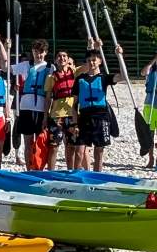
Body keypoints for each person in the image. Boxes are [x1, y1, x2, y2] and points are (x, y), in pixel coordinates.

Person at [75, 40, 121, 172]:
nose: (92, 62)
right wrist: (74, 123)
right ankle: (77, 178)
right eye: (89, 60)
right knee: (79, 151)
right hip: (84, 117)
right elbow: (75, 103)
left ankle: (97, 176)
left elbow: (122, 76)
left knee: (99, 151)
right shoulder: (80, 79)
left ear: (100, 61)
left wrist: (119, 57)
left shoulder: (104, 78)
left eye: (94, 60)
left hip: (101, 117)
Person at [12, 40, 50, 170]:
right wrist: (3, 45)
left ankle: (39, 169)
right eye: (35, 52)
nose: (38, 55)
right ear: (32, 52)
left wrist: (46, 114)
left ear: (45, 53)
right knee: (28, 142)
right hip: (26, 108)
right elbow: (7, 68)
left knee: (40, 142)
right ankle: (29, 170)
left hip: (40, 109)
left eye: (41, 52)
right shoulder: (26, 65)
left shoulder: (50, 68)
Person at [44, 49, 78, 170]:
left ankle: (71, 171)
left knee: (71, 146)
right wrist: (45, 117)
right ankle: (51, 173)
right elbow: (48, 98)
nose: (62, 58)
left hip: (72, 114)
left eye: (64, 56)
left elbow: (88, 67)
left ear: (68, 59)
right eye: (59, 56)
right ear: (55, 60)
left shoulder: (75, 72)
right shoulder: (51, 77)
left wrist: (91, 46)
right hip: (56, 114)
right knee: (53, 146)